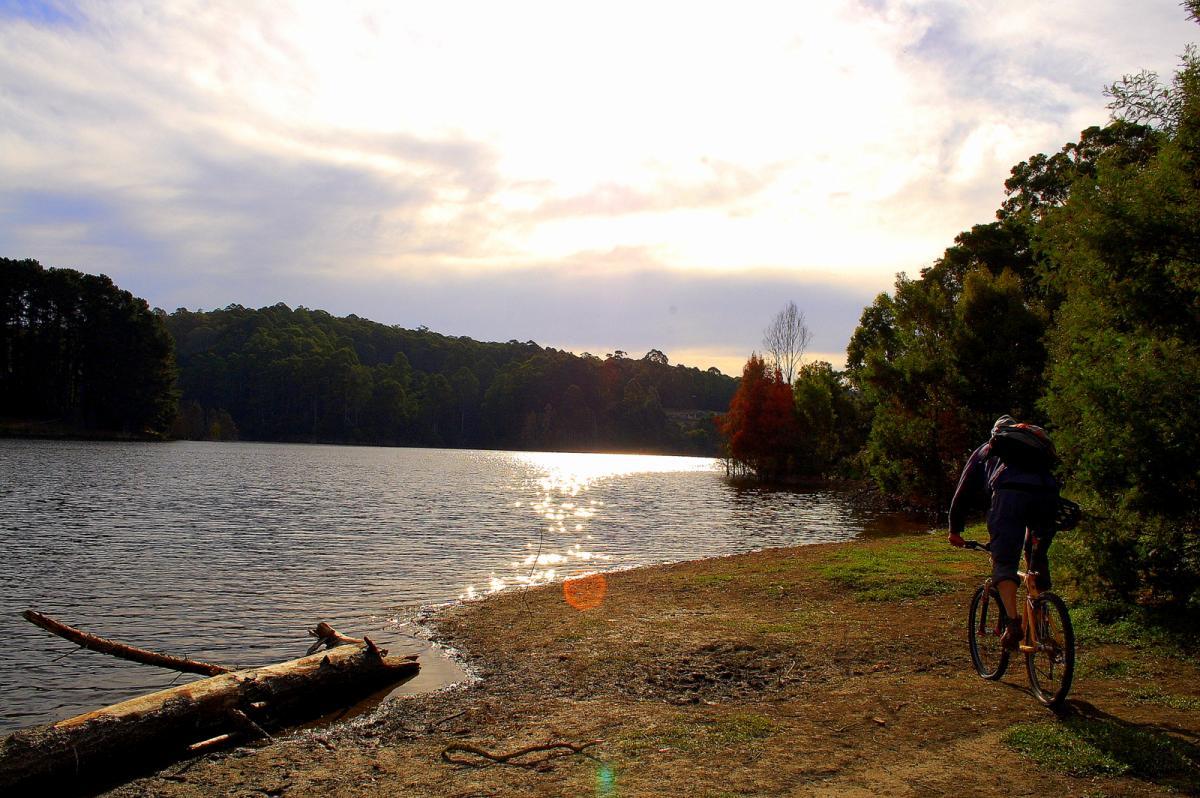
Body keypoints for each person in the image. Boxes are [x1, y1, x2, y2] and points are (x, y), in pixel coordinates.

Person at [947, 415, 1058, 650]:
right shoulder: (1035, 447)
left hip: (1010, 496)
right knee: (1036, 555)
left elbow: (963, 492)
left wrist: (955, 530)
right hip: (1048, 494)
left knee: (1005, 561)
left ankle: (1013, 623)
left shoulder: (986, 449)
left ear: (996, 435)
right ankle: (1041, 614)